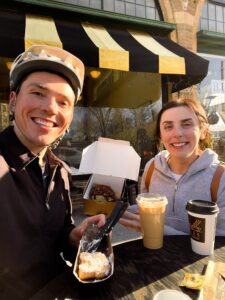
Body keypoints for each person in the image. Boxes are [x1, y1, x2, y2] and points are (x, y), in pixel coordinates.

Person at [0, 44, 106, 300]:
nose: (50, 108)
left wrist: (73, 236)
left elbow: (55, 239)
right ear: (13, 102)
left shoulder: (59, 171)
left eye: (63, 102)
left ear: (68, 120)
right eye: (38, 93)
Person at [120, 98, 225, 236]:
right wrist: (112, 211)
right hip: (154, 256)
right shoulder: (151, 168)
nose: (177, 133)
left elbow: (221, 244)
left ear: (203, 132)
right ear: (161, 135)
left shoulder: (220, 177)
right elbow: (145, 211)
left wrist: (157, 230)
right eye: (168, 126)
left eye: (186, 124)